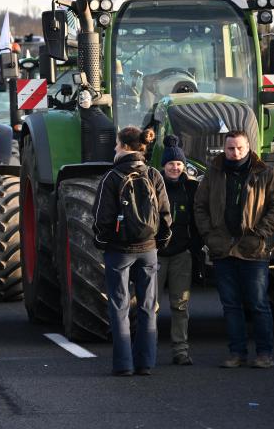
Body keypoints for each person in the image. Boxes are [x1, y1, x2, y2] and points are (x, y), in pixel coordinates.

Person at [194, 130, 274, 369]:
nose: (234, 153)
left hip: (253, 250)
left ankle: (264, 353)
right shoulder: (213, 174)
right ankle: (237, 353)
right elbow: (200, 206)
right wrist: (209, 235)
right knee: (231, 305)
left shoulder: (267, 174)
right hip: (223, 249)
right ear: (224, 149)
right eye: (230, 148)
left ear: (248, 148)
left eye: (239, 148)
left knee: (258, 304)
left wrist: (260, 233)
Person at [92, 127, 171, 376]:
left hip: (119, 251)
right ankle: (145, 363)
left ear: (125, 147)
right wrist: (159, 242)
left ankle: (123, 364)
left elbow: (100, 219)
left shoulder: (112, 177)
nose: (114, 148)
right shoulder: (154, 175)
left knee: (119, 306)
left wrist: (104, 243)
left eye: (116, 144)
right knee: (148, 306)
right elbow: (166, 215)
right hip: (149, 249)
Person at [157, 135, 200, 366]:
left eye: (179, 164)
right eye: (171, 164)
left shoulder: (192, 188)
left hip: (181, 254)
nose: (175, 167)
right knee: (149, 305)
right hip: (156, 255)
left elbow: (200, 219)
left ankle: (180, 351)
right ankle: (146, 350)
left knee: (180, 305)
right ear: (163, 165)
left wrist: (195, 247)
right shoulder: (153, 186)